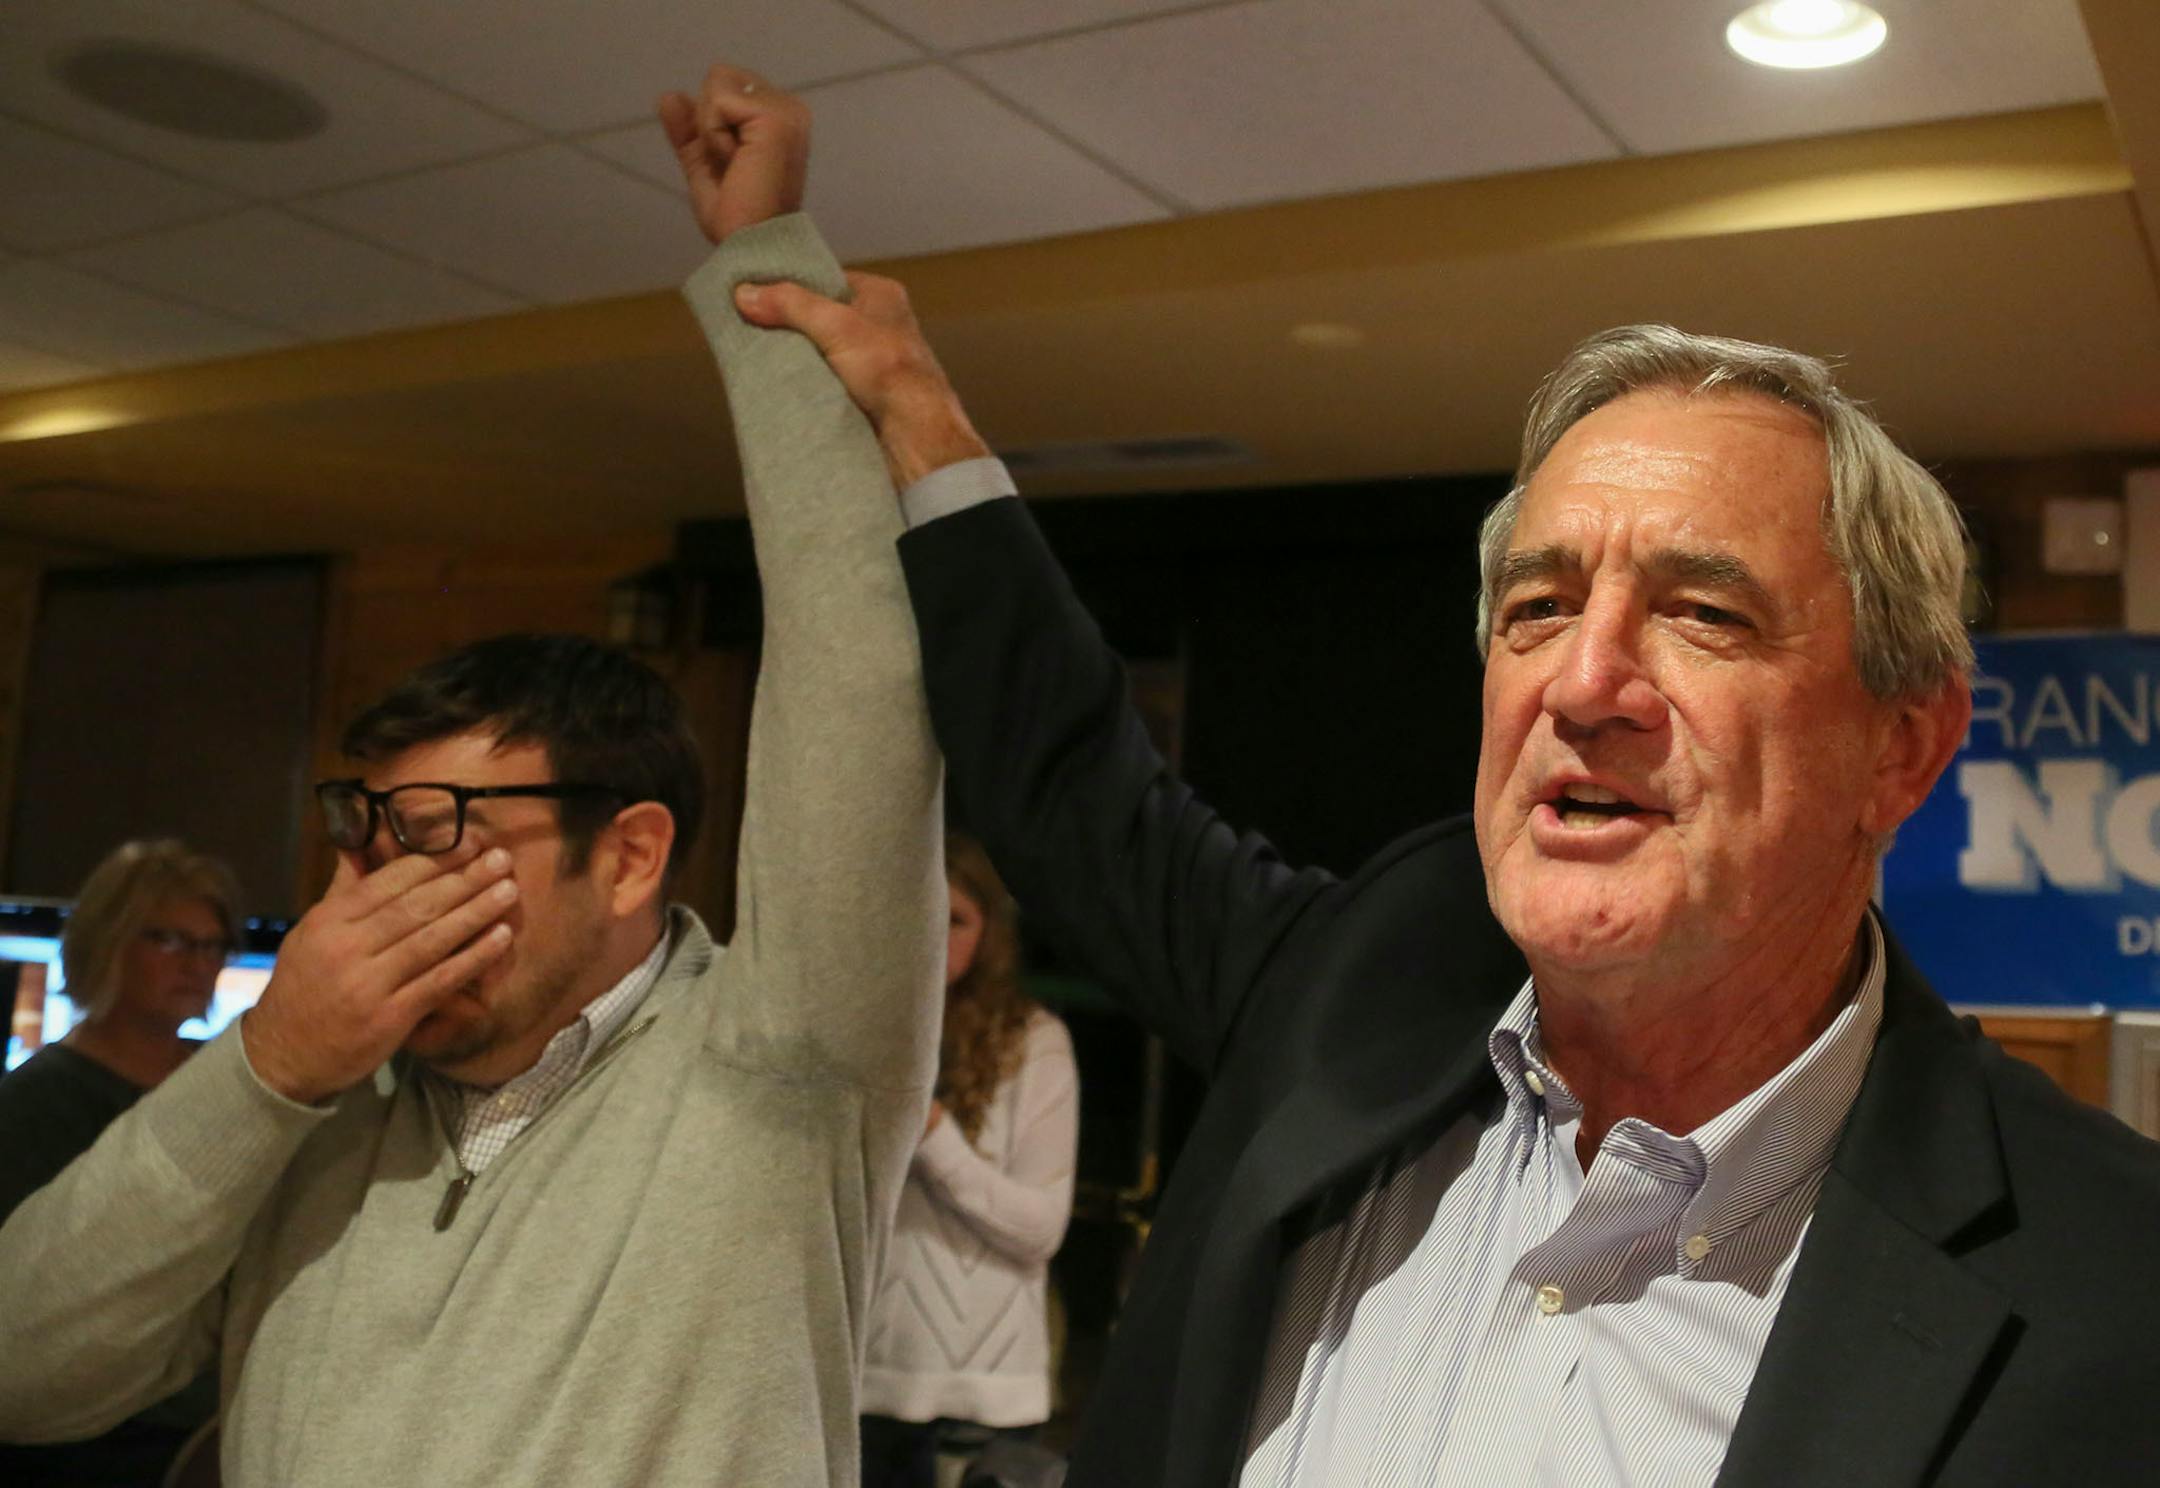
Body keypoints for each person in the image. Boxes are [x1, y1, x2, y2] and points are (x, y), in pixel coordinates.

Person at [727, 88, 2160, 1485]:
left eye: (1702, 614)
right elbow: (1074, 783)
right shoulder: (1361, 987)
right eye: (1539, 607)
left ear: (1903, 745)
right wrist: (906, 400)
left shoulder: (2110, 1286)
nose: (1584, 682)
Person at [0, 64, 944, 1487]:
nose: (375, 885)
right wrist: (266, 1070)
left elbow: (858, 667)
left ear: (627, 856)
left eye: (439, 828)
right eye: (365, 829)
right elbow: (25, 1374)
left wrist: (763, 260)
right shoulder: (310, 1111)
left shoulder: (780, 1065)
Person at [0, 839, 240, 1486]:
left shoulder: (229, 1083)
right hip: (99, 1444)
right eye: (168, 940)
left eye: (211, 945)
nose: (197, 963)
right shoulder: (32, 1105)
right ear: (106, 941)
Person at [860, 834, 1079, 1488]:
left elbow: (1040, 1227)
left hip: (983, 1397)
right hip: (867, 1384)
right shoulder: (867, 1029)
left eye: (955, 919)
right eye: (922, 913)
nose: (935, 935)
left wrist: (933, 1134)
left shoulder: (1035, 1043)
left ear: (989, 933)